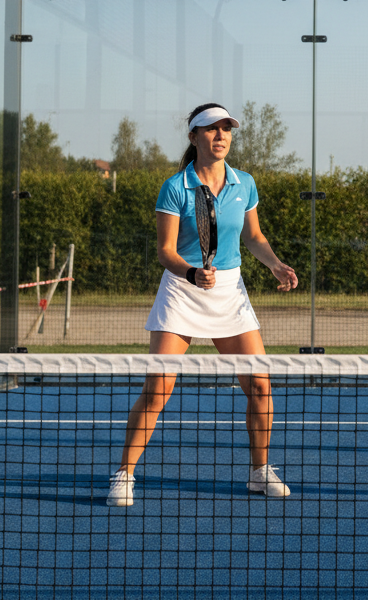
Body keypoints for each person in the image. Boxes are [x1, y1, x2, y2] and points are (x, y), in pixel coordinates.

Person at [106, 103, 299, 508]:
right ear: (194, 137)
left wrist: (276, 265)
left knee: (260, 386)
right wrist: (192, 272)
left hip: (230, 292)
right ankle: (124, 474)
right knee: (157, 390)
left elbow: (254, 237)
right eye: (212, 129)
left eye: (226, 129)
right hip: (182, 291)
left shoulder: (244, 183)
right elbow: (165, 251)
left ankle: (259, 472)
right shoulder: (175, 187)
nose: (221, 136)